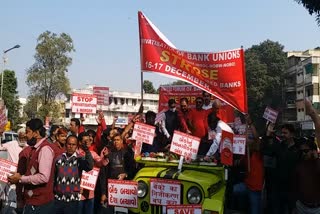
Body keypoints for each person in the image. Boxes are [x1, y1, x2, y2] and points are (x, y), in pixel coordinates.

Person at [8, 118, 55, 214]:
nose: (26, 135)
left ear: (36, 133)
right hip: (31, 202)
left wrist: (21, 178)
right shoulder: (34, 149)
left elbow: (44, 177)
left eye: (28, 132)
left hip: (40, 204)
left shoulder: (45, 149)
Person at [54, 135, 94, 214]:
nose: (71, 146)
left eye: (73, 144)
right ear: (65, 144)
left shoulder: (80, 159)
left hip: (73, 200)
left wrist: (86, 150)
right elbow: (53, 176)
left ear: (76, 146)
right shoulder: (58, 158)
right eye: (69, 144)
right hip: (58, 199)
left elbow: (89, 166)